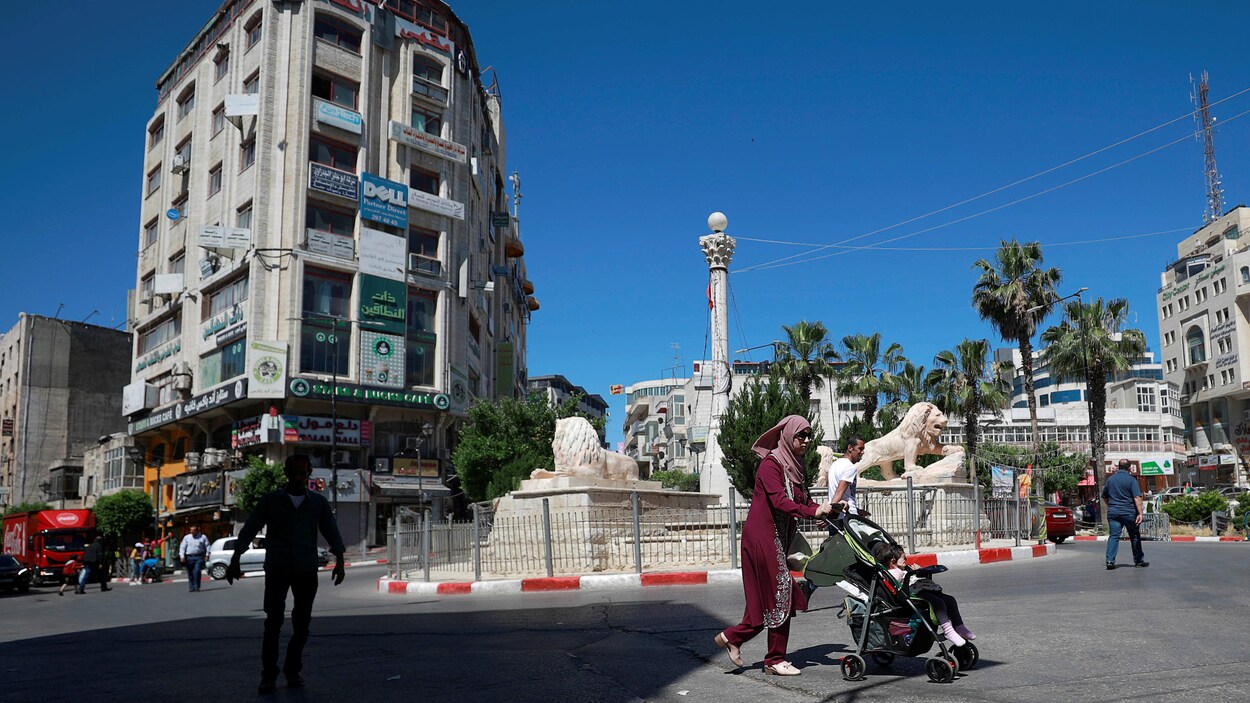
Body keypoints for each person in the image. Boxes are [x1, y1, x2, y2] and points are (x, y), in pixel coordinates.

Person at [713, 416, 835, 677]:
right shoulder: (772, 464)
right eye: (800, 435)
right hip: (762, 537)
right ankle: (774, 660)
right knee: (782, 595)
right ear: (788, 435)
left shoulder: (796, 466)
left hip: (777, 538)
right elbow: (780, 501)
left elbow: (804, 500)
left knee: (762, 603)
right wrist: (811, 512)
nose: (806, 441)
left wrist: (826, 512)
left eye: (809, 436)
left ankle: (732, 637)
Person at [227, 454, 346, 693]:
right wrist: (236, 558)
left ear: (309, 474)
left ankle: (293, 670)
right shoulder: (271, 501)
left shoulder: (318, 504)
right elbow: (250, 528)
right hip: (277, 569)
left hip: (306, 569)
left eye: (304, 473)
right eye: (295, 473)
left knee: (302, 625)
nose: (299, 478)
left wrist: (340, 560)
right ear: (287, 474)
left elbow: (331, 532)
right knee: (273, 623)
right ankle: (268, 675)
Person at [873, 542, 975, 646]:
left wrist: (917, 571)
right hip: (912, 595)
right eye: (902, 557)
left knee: (950, 599)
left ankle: (959, 626)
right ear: (892, 561)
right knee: (938, 603)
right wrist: (909, 572)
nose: (906, 559)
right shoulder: (893, 572)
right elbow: (898, 581)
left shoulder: (904, 569)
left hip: (920, 590)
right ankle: (948, 631)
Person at [1103, 459, 1148, 569]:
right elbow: (1137, 498)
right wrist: (1140, 514)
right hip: (1129, 512)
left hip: (1113, 512)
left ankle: (1110, 561)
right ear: (1129, 468)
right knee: (1134, 536)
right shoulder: (1131, 480)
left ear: (1118, 467)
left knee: (1114, 536)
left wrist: (1111, 506)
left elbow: (1104, 496)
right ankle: (1138, 560)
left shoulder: (1110, 479)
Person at [829, 435, 868, 516]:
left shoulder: (835, 464)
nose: (863, 452)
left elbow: (843, 494)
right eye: (860, 448)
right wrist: (829, 513)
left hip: (838, 514)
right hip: (846, 517)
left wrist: (858, 511)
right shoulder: (850, 467)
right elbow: (839, 492)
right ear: (850, 448)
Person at [179, 525, 211, 592]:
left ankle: (196, 586)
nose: (192, 532)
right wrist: (182, 556)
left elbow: (207, 546)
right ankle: (191, 587)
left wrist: (207, 555)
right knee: (190, 573)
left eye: (193, 531)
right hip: (189, 557)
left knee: (196, 571)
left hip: (199, 557)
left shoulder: (203, 537)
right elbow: (182, 547)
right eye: (191, 531)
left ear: (197, 531)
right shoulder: (187, 537)